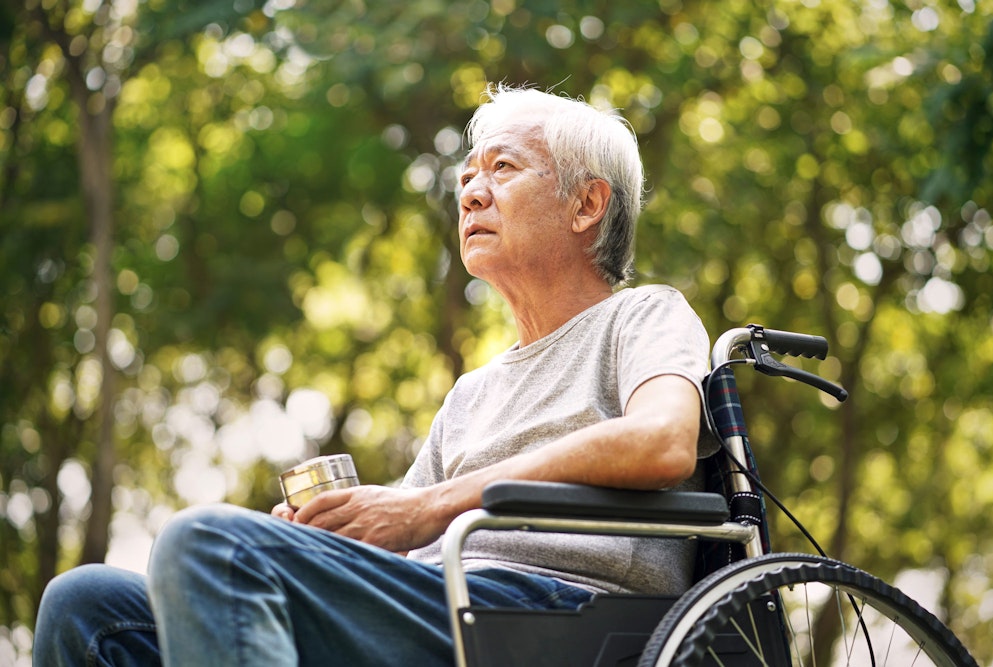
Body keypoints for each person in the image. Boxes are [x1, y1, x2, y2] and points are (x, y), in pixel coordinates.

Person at [34, 83, 710, 666]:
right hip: (446, 606)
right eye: (466, 176)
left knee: (208, 542)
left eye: (503, 168)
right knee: (86, 603)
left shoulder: (643, 317)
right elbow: (404, 540)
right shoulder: (473, 392)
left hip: (564, 615)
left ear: (586, 204)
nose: (472, 192)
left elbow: (664, 439)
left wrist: (427, 506)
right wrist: (329, 536)